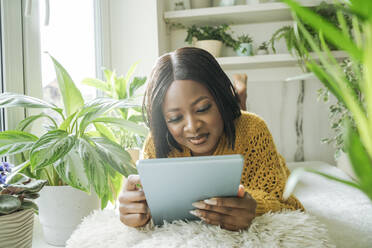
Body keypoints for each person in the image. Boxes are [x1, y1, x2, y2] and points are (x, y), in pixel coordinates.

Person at [119, 47, 304, 231]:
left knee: (241, 118)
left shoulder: (253, 129)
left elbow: (289, 204)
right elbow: (146, 201)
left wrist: (255, 206)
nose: (192, 126)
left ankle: (240, 94)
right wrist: (132, 208)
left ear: (220, 98)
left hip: (267, 159)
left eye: (202, 108)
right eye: (175, 118)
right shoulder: (157, 142)